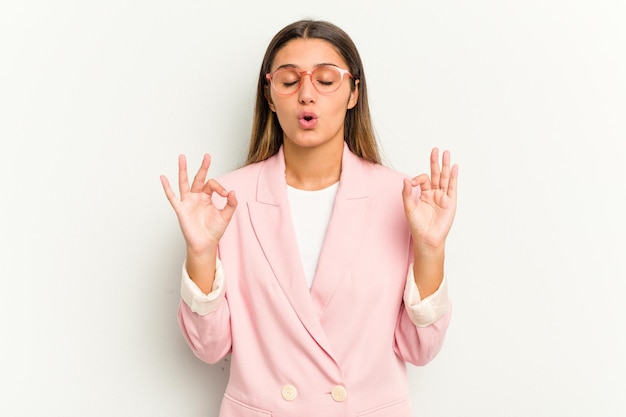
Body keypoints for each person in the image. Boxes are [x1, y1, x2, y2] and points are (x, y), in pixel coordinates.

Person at [160, 19, 458, 417]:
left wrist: (430, 249)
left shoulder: (404, 200)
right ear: (269, 95)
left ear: (354, 92)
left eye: (326, 79)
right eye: (288, 81)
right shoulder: (225, 202)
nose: (306, 95)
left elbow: (419, 350)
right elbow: (209, 348)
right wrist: (200, 252)